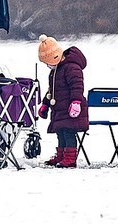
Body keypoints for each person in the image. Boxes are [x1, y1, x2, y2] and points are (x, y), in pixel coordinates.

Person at [37, 34, 89, 168]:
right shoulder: (55, 71)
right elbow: (51, 90)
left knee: (68, 132)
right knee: (60, 132)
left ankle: (70, 158)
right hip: (59, 109)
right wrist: (45, 104)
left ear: (55, 57)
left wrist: (76, 102)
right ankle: (61, 155)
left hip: (71, 108)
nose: (48, 66)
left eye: (48, 63)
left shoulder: (71, 68)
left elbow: (77, 86)